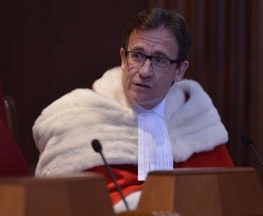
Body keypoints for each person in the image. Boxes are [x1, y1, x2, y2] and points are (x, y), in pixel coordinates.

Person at [32, 7, 234, 213]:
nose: (145, 72)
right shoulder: (77, 117)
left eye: (159, 60)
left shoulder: (194, 117)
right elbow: (57, 203)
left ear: (180, 70)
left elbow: (227, 199)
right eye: (137, 56)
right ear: (123, 58)